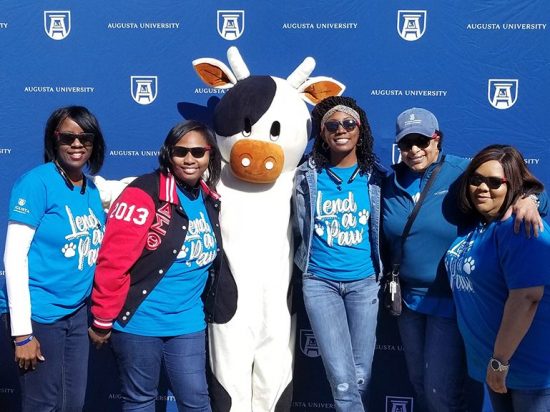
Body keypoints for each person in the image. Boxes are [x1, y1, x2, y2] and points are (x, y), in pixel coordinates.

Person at [382, 108, 547, 412]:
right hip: (407, 302)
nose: (414, 150)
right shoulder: (389, 182)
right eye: (407, 144)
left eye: (421, 141)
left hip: (449, 303)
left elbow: (520, 186)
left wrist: (531, 200)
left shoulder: (465, 171)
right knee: (420, 383)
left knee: (439, 391)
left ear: (437, 139)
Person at [88, 120, 224, 412]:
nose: (190, 159)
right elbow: (113, 261)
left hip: (187, 322)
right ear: (167, 154)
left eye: (198, 152)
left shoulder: (209, 197)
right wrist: (101, 318)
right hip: (139, 321)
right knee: (140, 401)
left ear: (210, 155)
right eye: (180, 151)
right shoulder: (144, 193)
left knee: (196, 401)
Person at [0, 106, 106, 411]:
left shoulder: (92, 189)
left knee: (72, 403)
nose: (76, 144)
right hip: (39, 315)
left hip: (76, 314)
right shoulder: (36, 183)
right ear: (53, 140)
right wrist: (22, 334)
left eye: (85, 137)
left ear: (94, 142)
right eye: (67, 137)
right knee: (42, 404)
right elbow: (14, 257)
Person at [292, 96, 386, 411]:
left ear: (362, 130)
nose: (341, 129)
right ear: (322, 133)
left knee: (361, 378)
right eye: (332, 125)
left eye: (349, 123)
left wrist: (529, 198)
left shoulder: (377, 178)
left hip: (364, 283)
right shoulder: (305, 176)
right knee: (343, 381)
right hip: (320, 283)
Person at [445, 144, 550, 412]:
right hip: (496, 368)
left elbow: (527, 298)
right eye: (476, 179)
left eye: (494, 182)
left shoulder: (521, 227)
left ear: (512, 185)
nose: (482, 188)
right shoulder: (480, 225)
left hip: (528, 371)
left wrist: (499, 362)